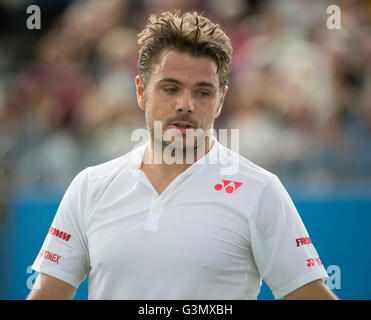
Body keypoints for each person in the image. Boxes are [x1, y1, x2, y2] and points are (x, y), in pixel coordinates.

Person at [27, 11, 337, 300]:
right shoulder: (90, 187)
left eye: (203, 92)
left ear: (220, 100)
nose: (185, 104)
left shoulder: (260, 190)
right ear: (141, 91)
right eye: (170, 88)